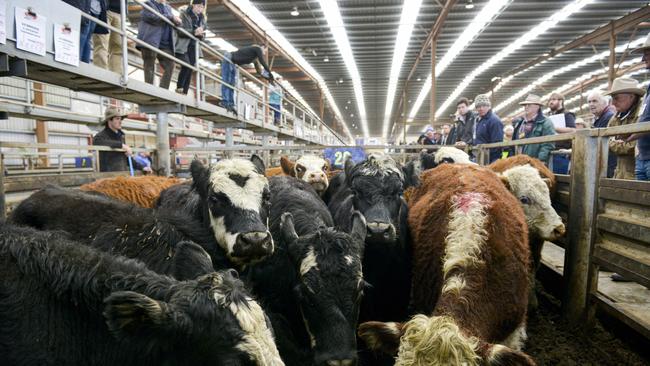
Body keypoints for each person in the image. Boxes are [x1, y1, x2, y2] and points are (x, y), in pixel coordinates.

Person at [606, 77, 645, 180]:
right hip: (620, 173)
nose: (613, 103)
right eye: (612, 98)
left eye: (616, 98)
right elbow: (606, 139)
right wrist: (624, 142)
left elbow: (637, 145)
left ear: (631, 97)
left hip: (637, 174)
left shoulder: (643, 115)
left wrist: (614, 143)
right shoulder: (616, 117)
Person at [137, 0, 181, 89]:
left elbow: (174, 21)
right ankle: (149, 89)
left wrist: (178, 22)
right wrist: (170, 17)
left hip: (165, 43)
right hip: (150, 39)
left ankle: (163, 89)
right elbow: (151, 18)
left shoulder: (168, 8)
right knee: (149, 64)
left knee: (170, 64)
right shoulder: (148, 4)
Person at [221, 45, 275, 115]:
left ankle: (230, 104)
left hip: (233, 62)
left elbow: (259, 71)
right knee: (227, 80)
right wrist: (270, 73)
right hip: (229, 57)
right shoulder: (257, 48)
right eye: (265, 51)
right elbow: (262, 61)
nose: (264, 53)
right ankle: (225, 102)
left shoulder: (255, 59)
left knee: (232, 83)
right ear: (262, 47)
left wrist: (268, 78)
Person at [626, 34, 650, 181]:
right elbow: (645, 118)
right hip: (643, 156)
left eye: (647, 54)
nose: (643, 59)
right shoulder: (649, 88)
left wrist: (631, 134)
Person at [512, 94, 556, 164]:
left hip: (534, 162)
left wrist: (539, 161)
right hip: (518, 161)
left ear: (537, 106)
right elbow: (513, 142)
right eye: (525, 105)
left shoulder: (546, 122)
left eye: (529, 105)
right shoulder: (520, 123)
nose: (526, 107)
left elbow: (548, 144)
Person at [175, 0, 206, 95]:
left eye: (202, 7)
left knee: (190, 69)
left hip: (194, 47)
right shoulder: (184, 14)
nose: (200, 9)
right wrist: (194, 32)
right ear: (193, 5)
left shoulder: (202, 19)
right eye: (198, 6)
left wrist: (201, 35)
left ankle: (185, 92)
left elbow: (203, 35)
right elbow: (180, 30)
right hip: (183, 45)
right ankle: (179, 87)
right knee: (186, 65)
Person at [93, 107, 132, 172]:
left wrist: (142, 167)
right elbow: (97, 142)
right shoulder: (100, 136)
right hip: (108, 177)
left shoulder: (120, 136)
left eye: (121, 119)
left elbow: (126, 158)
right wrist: (121, 145)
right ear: (109, 120)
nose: (120, 122)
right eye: (117, 119)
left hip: (121, 175)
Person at [589, 91, 616, 177]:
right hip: (604, 160)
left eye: (594, 101)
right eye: (589, 102)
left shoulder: (608, 117)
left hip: (609, 161)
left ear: (604, 103)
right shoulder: (600, 118)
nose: (591, 104)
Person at [93, 0, 124, 74]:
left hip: (120, 13)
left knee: (118, 47)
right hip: (105, 10)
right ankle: (100, 72)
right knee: (102, 42)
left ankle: (117, 74)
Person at [548, 92, 576, 173]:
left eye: (553, 99)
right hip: (551, 151)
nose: (550, 102)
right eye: (549, 100)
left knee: (560, 178)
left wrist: (554, 128)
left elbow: (573, 130)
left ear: (561, 101)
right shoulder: (549, 116)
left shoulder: (567, 114)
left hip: (562, 153)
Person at [473, 94, 503, 163]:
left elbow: (497, 144)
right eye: (478, 106)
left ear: (489, 106)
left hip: (492, 158)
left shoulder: (494, 121)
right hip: (481, 156)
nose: (481, 108)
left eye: (484, 106)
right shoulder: (479, 120)